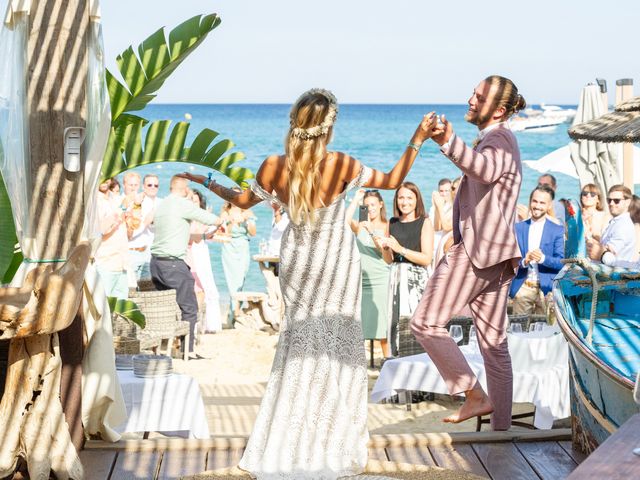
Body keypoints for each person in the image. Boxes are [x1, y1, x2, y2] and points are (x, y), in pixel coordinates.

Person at [178, 88, 438, 479]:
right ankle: (332, 437)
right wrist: (418, 139)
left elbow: (241, 200)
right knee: (335, 346)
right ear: (328, 129)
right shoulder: (343, 165)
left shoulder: (273, 165)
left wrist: (206, 180)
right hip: (335, 261)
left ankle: (289, 435)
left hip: (298, 260)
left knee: (299, 342)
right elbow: (393, 179)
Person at [410, 75, 526, 431]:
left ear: (499, 109)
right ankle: (502, 432)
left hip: (478, 253)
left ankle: (474, 396)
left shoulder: (500, 138)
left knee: (425, 323)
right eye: (473, 94)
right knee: (493, 345)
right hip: (498, 255)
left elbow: (485, 170)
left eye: (479, 97)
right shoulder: (496, 139)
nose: (471, 100)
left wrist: (446, 140)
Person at [150, 175, 223, 356]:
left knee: (166, 308)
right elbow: (214, 220)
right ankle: (187, 351)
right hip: (173, 263)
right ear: (185, 189)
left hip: (156, 263)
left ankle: (162, 348)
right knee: (190, 308)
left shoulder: (162, 204)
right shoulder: (183, 204)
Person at [378, 182, 433, 357]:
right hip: (395, 278)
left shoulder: (424, 222)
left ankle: (419, 360)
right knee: (395, 323)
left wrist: (400, 248)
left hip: (416, 280)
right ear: (396, 200)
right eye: (401, 197)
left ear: (417, 200)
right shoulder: (391, 223)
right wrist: (385, 247)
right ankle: (396, 359)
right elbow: (388, 260)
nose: (405, 202)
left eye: (409, 197)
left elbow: (426, 259)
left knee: (415, 323)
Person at [346, 188, 391, 359]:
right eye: (366, 206)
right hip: (360, 280)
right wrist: (356, 199)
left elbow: (383, 250)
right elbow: (345, 220)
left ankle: (388, 361)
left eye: (373, 205)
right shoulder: (360, 226)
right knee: (358, 326)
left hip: (380, 280)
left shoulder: (387, 226)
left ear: (380, 205)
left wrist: (371, 231)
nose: (370, 208)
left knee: (382, 329)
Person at [509, 185, 564, 315]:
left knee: (546, 331)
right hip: (523, 287)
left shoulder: (557, 230)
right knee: (520, 330)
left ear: (549, 206)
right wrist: (524, 261)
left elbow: (561, 263)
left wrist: (543, 258)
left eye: (542, 203)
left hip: (547, 290)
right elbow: (510, 262)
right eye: (535, 201)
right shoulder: (518, 228)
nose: (537, 206)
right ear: (530, 201)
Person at [187, 189, 223, 334]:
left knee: (208, 283)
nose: (194, 203)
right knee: (196, 285)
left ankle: (211, 323)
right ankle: (197, 324)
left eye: (196, 201)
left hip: (201, 251)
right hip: (191, 251)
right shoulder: (187, 217)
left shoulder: (203, 217)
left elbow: (209, 233)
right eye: (191, 201)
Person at [219, 191, 257, 323]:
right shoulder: (225, 213)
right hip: (229, 248)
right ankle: (233, 314)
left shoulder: (247, 212)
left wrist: (247, 221)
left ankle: (234, 313)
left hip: (243, 247)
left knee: (240, 281)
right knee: (231, 282)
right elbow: (223, 235)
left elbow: (253, 233)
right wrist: (229, 223)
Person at [94, 179, 130, 299]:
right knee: (102, 309)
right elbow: (102, 230)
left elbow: (128, 232)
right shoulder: (95, 201)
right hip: (105, 263)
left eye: (108, 176)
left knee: (121, 311)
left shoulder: (115, 199)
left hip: (122, 263)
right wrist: (121, 210)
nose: (104, 179)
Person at [587, 184, 636, 265]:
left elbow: (607, 253)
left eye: (616, 200)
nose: (611, 203)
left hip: (615, 274)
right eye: (609, 200)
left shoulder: (623, 226)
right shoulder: (617, 222)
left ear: (628, 202)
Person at [128, 174, 160, 282]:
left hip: (152, 255)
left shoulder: (161, 203)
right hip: (133, 252)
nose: (153, 187)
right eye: (149, 184)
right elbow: (130, 232)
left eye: (156, 185)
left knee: (147, 291)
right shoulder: (136, 203)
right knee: (131, 291)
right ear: (143, 186)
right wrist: (146, 222)